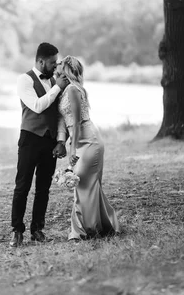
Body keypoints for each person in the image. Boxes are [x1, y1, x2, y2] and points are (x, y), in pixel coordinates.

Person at [10, 42, 70, 247]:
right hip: (30, 139)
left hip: (50, 141)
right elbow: (37, 106)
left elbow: (61, 114)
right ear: (41, 61)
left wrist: (62, 141)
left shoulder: (55, 81)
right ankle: (17, 230)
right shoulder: (24, 80)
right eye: (52, 63)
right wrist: (56, 88)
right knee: (22, 186)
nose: (56, 66)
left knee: (43, 188)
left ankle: (38, 229)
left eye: (57, 62)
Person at [56, 56, 120, 240]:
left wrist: (73, 150)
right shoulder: (64, 90)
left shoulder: (73, 90)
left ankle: (83, 231)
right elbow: (66, 122)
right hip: (79, 140)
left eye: (60, 65)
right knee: (85, 184)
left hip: (89, 141)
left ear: (66, 69)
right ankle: (99, 226)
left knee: (82, 181)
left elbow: (75, 123)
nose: (57, 67)